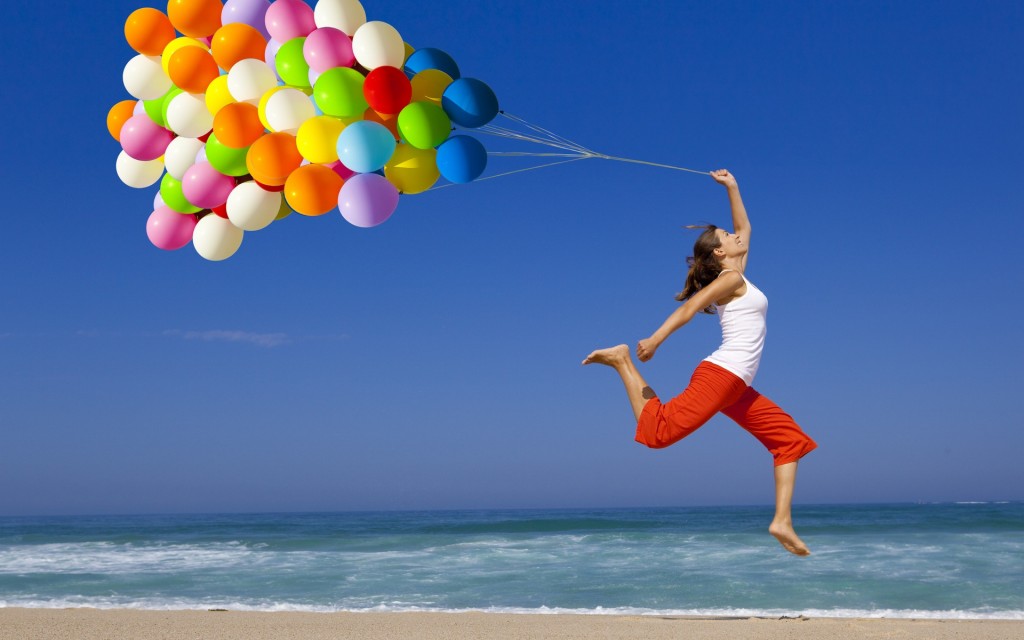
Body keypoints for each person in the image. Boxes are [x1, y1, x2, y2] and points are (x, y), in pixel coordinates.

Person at [583, 169, 817, 556]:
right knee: (658, 435)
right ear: (721, 253)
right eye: (727, 236)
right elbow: (691, 306)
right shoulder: (729, 278)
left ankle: (782, 521)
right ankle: (623, 360)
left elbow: (745, 225)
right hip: (721, 376)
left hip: (736, 386)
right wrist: (656, 339)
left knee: (789, 440)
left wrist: (732, 186)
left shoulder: (739, 272)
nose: (735, 234)